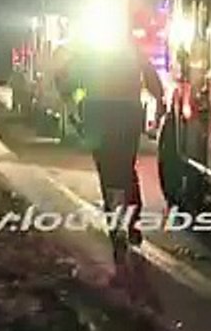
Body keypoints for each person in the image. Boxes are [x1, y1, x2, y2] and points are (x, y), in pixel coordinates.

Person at [53, 16, 164, 254]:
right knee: (126, 169)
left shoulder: (89, 56)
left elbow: (63, 81)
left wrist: (74, 106)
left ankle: (117, 227)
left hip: (98, 118)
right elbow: (153, 80)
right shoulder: (131, 51)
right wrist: (160, 101)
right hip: (126, 117)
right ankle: (131, 225)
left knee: (108, 171)